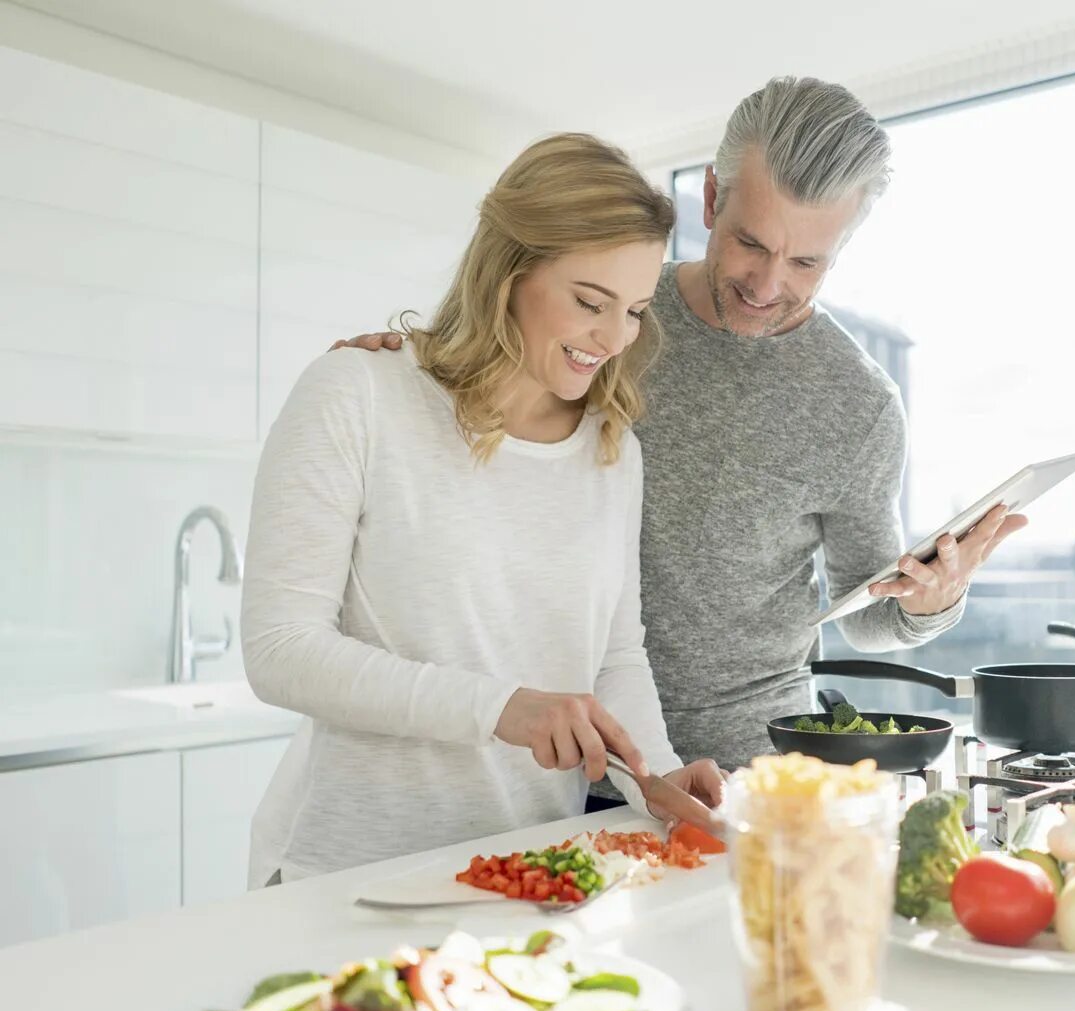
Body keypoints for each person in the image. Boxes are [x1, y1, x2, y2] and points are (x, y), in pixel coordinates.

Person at [336, 77, 1026, 775]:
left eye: (807, 262)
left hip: (739, 769)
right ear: (711, 197)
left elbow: (866, 612)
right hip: (547, 749)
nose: (765, 285)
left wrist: (932, 602)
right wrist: (409, 372)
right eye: (749, 243)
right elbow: (492, 380)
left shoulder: (858, 402)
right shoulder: (616, 311)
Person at [242, 133, 723, 887]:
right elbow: (280, 651)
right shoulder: (359, 395)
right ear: (508, 270)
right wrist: (504, 708)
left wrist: (655, 780)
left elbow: (613, 655)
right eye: (589, 302)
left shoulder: (610, 449)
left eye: (634, 309)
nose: (614, 337)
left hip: (530, 871)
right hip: (348, 873)